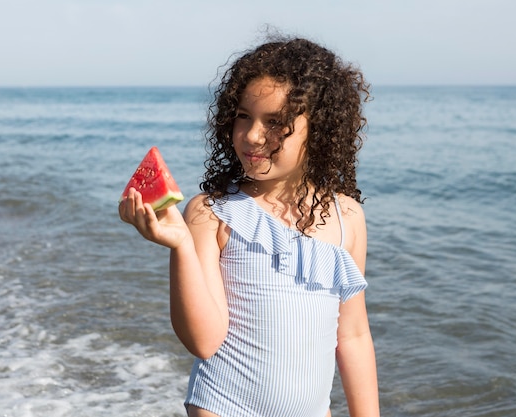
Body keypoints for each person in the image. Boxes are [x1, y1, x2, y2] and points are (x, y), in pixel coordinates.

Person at [119, 36, 379, 417]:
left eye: (275, 122)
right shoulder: (213, 212)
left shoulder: (347, 219)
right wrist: (182, 248)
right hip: (225, 408)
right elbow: (203, 341)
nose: (253, 135)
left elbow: (353, 336)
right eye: (244, 116)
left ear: (320, 131)